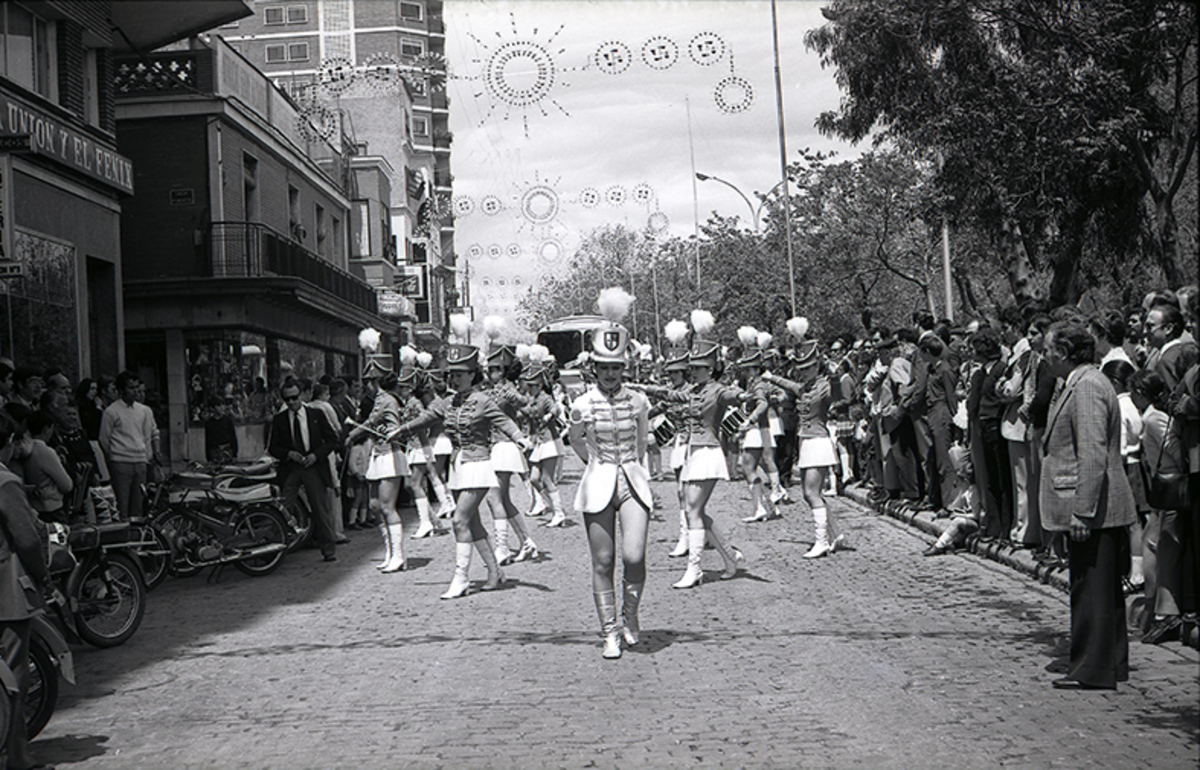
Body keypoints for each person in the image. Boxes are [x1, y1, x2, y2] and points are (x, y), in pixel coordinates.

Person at [393, 342, 532, 599]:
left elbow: (505, 422)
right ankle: (495, 572)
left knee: (459, 520)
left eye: (459, 374)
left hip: (478, 465)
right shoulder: (447, 403)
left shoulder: (483, 401)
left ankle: (461, 578)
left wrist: (520, 438)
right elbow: (425, 418)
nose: (454, 379)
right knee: (473, 522)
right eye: (451, 375)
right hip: (458, 467)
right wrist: (400, 430)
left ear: (472, 375)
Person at [1040, 321, 1136, 690]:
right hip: (1096, 506)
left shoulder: (1087, 387)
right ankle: (1108, 663)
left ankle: (1092, 667)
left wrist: (1083, 510)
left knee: (1091, 590)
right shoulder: (1082, 383)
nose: (1046, 358)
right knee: (1101, 590)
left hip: (1093, 509)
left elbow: (1093, 452)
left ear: (1063, 353)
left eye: (1049, 351)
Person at [638, 311, 744, 589]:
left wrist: (745, 396)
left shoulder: (717, 390)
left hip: (707, 452)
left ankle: (695, 568)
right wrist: (635, 387)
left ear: (709, 369)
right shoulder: (693, 391)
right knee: (692, 509)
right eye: (691, 368)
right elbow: (668, 397)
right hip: (690, 453)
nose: (691, 371)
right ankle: (730, 557)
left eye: (696, 368)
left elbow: (733, 396)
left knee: (693, 510)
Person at [568, 320, 653, 659]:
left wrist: (633, 466)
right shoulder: (582, 404)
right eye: (603, 367)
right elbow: (575, 439)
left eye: (615, 367)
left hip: (632, 479)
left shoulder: (639, 401)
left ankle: (631, 613)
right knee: (603, 560)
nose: (609, 374)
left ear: (623, 368)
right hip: (598, 481)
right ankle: (610, 631)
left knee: (635, 556)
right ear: (594, 368)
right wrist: (594, 464)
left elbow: (643, 440)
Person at [0, 409, 53, 770]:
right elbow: (28, 541)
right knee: (13, 675)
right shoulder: (4, 482)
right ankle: (16, 756)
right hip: (5, 590)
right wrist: (44, 578)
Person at [763, 339, 847, 558]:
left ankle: (821, 542)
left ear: (817, 365)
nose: (805, 372)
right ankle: (835, 534)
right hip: (806, 442)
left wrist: (835, 373)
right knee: (814, 493)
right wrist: (771, 377)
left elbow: (839, 396)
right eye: (801, 369)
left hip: (818, 441)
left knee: (810, 493)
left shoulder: (825, 385)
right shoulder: (805, 387)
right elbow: (790, 386)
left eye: (809, 367)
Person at [346, 358, 408, 572]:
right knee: (374, 506)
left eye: (369, 380)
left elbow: (394, 427)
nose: (366, 385)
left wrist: (386, 432)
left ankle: (398, 555)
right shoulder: (379, 400)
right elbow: (370, 422)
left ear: (376, 381)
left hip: (389, 455)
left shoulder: (388, 400)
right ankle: (389, 551)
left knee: (387, 506)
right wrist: (354, 434)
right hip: (377, 455)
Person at [269, 380, 340, 563]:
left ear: (302, 395)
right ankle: (274, 549)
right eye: (287, 399)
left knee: (320, 508)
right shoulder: (280, 419)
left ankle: (328, 549)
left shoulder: (316, 414)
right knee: (284, 507)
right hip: (291, 468)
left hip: (313, 467)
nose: (291, 402)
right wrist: (288, 454)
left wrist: (316, 456)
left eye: (294, 398)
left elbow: (332, 440)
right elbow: (273, 447)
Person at [99, 370, 162, 520]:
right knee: (122, 503)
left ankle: (136, 537)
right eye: (131, 388)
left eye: (136, 388)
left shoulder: (142, 411)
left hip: (140, 460)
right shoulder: (111, 411)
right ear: (121, 390)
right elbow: (104, 438)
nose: (134, 392)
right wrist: (114, 454)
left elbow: (149, 433)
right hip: (121, 461)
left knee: (138, 503)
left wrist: (149, 454)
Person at [520, 359, 567, 532]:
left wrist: (549, 416)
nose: (529, 388)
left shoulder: (545, 398)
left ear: (540, 386)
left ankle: (559, 512)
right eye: (528, 385)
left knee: (547, 479)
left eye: (533, 386)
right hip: (538, 442)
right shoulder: (530, 400)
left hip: (549, 441)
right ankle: (551, 506)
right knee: (533, 478)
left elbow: (555, 409)